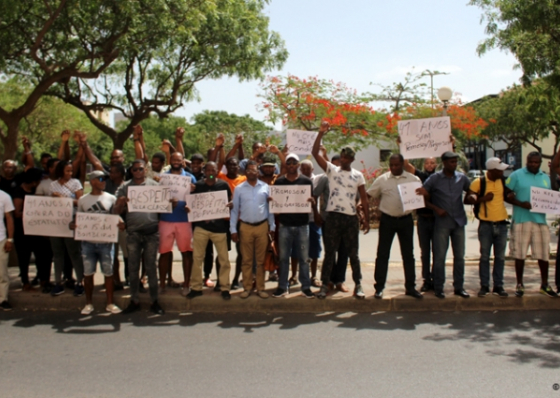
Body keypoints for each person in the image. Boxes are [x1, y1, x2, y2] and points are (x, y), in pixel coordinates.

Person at [311, 121, 370, 299]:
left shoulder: (358, 175)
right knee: (329, 253)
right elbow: (315, 153)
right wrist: (320, 133)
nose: (343, 159)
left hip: (350, 218)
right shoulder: (332, 170)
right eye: (342, 156)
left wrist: (366, 219)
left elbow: (364, 198)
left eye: (346, 157)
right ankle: (324, 285)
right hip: (333, 218)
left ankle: (358, 285)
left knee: (353, 254)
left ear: (352, 159)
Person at [417, 151, 471, 299]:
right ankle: (438, 287)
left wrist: (472, 196)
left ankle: (459, 287)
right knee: (440, 257)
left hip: (459, 222)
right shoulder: (434, 179)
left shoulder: (461, 178)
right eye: (451, 162)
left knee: (459, 257)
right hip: (442, 224)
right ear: (444, 163)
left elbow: (472, 190)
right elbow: (423, 197)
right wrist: (436, 208)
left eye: (455, 162)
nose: (454, 164)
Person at [367, 154, 423, 299]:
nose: (393, 168)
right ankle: (379, 287)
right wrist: (361, 205)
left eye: (396, 165)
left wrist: (422, 194)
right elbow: (369, 195)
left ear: (402, 164)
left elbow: (421, 198)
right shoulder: (383, 180)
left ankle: (410, 287)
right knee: (383, 254)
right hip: (387, 220)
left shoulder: (413, 179)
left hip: (406, 220)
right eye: (391, 165)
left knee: (408, 255)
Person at [114, 159, 165, 314]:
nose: (137, 172)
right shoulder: (124, 187)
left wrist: (171, 202)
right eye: (135, 169)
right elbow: (115, 211)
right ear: (131, 171)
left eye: (140, 169)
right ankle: (134, 300)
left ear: (145, 170)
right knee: (133, 268)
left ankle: (154, 301)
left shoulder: (155, 186)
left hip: (151, 232)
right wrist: (121, 203)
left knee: (151, 268)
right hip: (133, 233)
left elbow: (164, 205)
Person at [506, 152, 557, 297]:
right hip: (522, 219)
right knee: (520, 254)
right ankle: (520, 284)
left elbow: (552, 195)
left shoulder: (545, 177)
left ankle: (545, 284)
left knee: (543, 254)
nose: (533, 165)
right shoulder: (516, 175)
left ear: (540, 163)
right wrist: (520, 203)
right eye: (530, 162)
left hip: (540, 220)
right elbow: (506, 194)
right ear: (526, 161)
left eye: (536, 162)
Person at [74, 171, 123, 315]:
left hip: (106, 243)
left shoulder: (111, 198)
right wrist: (74, 225)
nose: (104, 182)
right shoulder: (83, 200)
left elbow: (116, 216)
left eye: (105, 179)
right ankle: (88, 303)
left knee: (108, 273)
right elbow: (79, 219)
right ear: (92, 181)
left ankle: (110, 303)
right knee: (88, 274)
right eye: (101, 179)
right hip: (88, 243)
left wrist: (121, 223)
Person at [271, 153, 315, 299]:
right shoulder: (279, 182)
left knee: (304, 258)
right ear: (286, 165)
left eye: (293, 163)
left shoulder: (306, 181)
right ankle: (282, 287)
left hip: (303, 225)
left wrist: (312, 202)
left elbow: (311, 201)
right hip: (285, 225)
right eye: (288, 163)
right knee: (283, 258)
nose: (291, 165)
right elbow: (275, 207)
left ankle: (306, 287)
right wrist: (273, 202)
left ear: (298, 165)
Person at [186, 162, 232, 300]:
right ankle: (196, 288)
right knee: (197, 258)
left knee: (224, 260)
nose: (211, 172)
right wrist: (189, 208)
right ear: (204, 171)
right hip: (201, 228)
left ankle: (225, 288)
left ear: (217, 170)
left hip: (219, 229)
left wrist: (231, 204)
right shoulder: (198, 186)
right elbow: (192, 203)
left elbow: (230, 201)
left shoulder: (223, 185)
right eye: (208, 169)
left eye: (213, 169)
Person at [230, 160, 275, 299]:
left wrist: (272, 226)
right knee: (247, 260)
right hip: (245, 227)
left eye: (254, 170)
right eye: (249, 170)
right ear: (245, 172)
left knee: (261, 261)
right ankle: (247, 288)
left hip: (262, 226)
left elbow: (270, 208)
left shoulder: (266, 187)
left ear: (258, 172)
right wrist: (233, 229)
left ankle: (261, 288)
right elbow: (234, 210)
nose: (251, 172)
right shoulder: (239, 188)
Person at [467, 157, 511, 298]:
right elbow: (468, 199)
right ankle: (484, 285)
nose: (502, 172)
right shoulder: (479, 182)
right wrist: (482, 199)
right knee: (485, 257)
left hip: (502, 224)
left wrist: (511, 195)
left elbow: (507, 194)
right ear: (492, 170)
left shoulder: (502, 181)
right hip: (486, 225)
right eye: (500, 170)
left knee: (500, 257)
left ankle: (498, 285)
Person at [157, 152, 196, 295]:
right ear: (170, 160)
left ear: (182, 162)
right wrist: (165, 202)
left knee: (186, 253)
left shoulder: (190, 178)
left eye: (179, 160)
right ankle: (162, 284)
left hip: (184, 221)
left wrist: (193, 194)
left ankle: (186, 284)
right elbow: (157, 199)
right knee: (164, 253)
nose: (176, 162)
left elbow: (197, 201)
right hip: (165, 220)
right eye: (173, 159)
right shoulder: (163, 178)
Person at [313, 152, 350, 291]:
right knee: (330, 251)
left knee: (343, 251)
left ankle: (340, 281)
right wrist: (317, 214)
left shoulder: (349, 177)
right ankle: (328, 280)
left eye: (340, 163)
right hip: (328, 219)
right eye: (334, 163)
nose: (337, 166)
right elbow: (315, 195)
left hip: (345, 220)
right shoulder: (324, 178)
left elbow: (357, 196)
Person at [49, 160, 85, 297]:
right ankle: (58, 282)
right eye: (67, 171)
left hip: (71, 221)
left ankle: (80, 282)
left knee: (74, 253)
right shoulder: (53, 185)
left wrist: (64, 199)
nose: (70, 173)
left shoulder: (75, 183)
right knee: (57, 254)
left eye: (71, 171)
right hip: (56, 223)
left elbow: (80, 202)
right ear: (60, 171)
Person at [12, 168, 52, 292]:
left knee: (42, 256)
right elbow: (16, 213)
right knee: (24, 257)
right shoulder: (18, 191)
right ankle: (25, 282)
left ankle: (43, 280)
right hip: (22, 231)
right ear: (33, 180)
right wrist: (31, 213)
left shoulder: (37, 191)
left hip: (37, 230)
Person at [404, 157, 437, 292]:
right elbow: (406, 165)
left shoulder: (440, 177)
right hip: (423, 219)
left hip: (437, 220)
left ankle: (436, 279)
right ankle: (426, 280)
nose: (429, 165)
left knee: (438, 252)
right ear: (424, 165)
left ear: (437, 164)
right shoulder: (421, 177)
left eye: (432, 163)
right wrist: (403, 146)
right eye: (427, 163)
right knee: (425, 252)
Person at [300, 159, 323, 288]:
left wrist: (323, 155)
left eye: (308, 169)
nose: (305, 171)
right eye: (303, 169)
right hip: (300, 220)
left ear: (312, 169)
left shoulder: (319, 180)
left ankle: (314, 276)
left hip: (314, 220)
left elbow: (329, 171)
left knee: (314, 250)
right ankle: (298, 276)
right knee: (299, 250)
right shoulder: (296, 181)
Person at [0, 187, 15, 310]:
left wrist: (10, 239)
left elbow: (9, 218)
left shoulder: (4, 196)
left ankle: (2, 299)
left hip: (1, 239)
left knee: (2, 272)